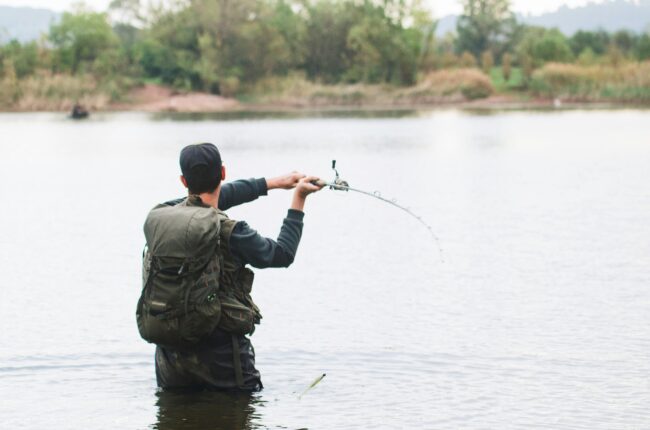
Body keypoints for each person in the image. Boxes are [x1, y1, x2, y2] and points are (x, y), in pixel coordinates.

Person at [140, 142, 322, 391]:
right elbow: (282, 254)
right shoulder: (232, 232)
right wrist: (298, 198)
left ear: (183, 181)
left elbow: (207, 202)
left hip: (170, 356)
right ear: (223, 173)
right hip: (223, 356)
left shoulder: (163, 217)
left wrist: (273, 183)